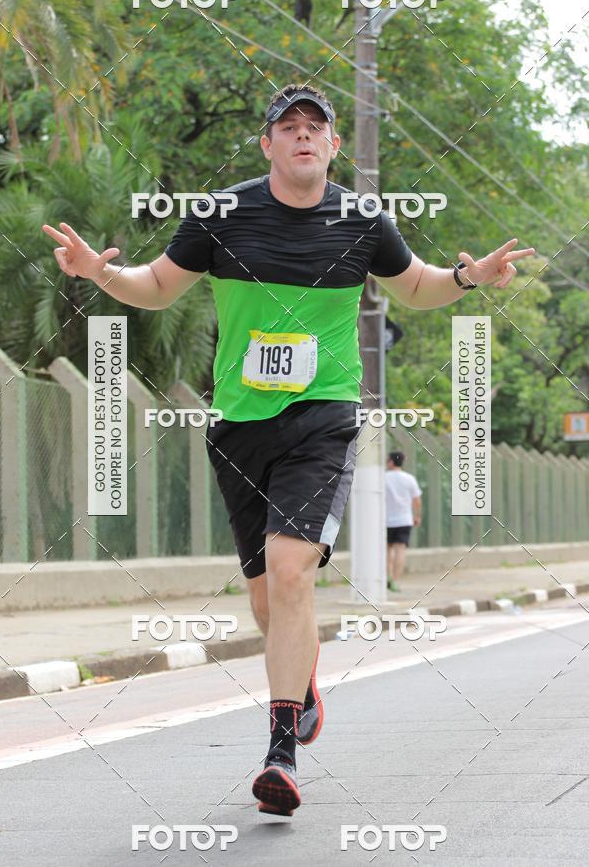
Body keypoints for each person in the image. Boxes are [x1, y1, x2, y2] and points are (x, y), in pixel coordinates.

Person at [42, 82, 534, 818]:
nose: (304, 136)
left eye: (317, 128)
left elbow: (418, 288)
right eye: (289, 127)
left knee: (291, 568)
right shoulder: (219, 215)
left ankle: (280, 751)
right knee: (270, 602)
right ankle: (298, 681)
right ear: (268, 144)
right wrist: (99, 272)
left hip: (324, 418)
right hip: (239, 425)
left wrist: (469, 276)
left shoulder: (364, 220)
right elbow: (157, 287)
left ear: (334, 145)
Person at [385, 451, 422, 592]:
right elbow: (417, 500)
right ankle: (394, 581)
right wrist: (417, 516)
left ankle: (387, 577)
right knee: (400, 550)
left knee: (388, 550)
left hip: (386, 520)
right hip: (404, 519)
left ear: (391, 462)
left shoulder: (383, 478)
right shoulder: (409, 479)